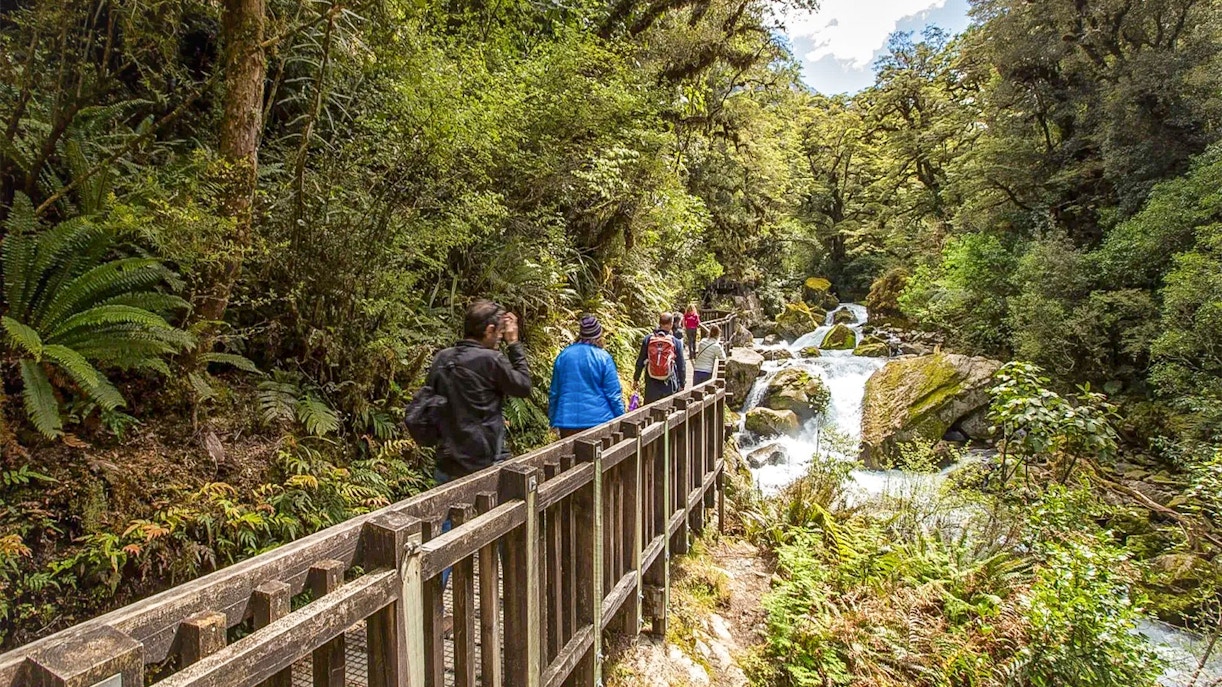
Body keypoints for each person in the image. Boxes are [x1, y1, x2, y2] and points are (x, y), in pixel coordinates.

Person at [428, 299, 532, 483]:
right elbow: (523, 386)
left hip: (447, 461)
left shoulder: (442, 358)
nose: (500, 337)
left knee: (450, 510)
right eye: (499, 332)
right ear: (489, 330)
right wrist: (514, 344)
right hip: (482, 463)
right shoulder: (491, 360)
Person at [549, 315, 625, 438]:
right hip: (599, 421)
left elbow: (554, 392)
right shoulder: (604, 358)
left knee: (570, 456)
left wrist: (553, 419)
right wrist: (622, 418)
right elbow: (613, 395)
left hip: (566, 421)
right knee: (598, 457)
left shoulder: (563, 356)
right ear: (599, 335)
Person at [633, 312, 686, 404]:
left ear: (659, 323)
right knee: (669, 410)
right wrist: (682, 384)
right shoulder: (675, 341)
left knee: (650, 410)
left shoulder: (648, 339)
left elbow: (640, 361)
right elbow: (681, 365)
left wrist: (636, 378)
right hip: (669, 383)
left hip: (651, 384)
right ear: (671, 323)